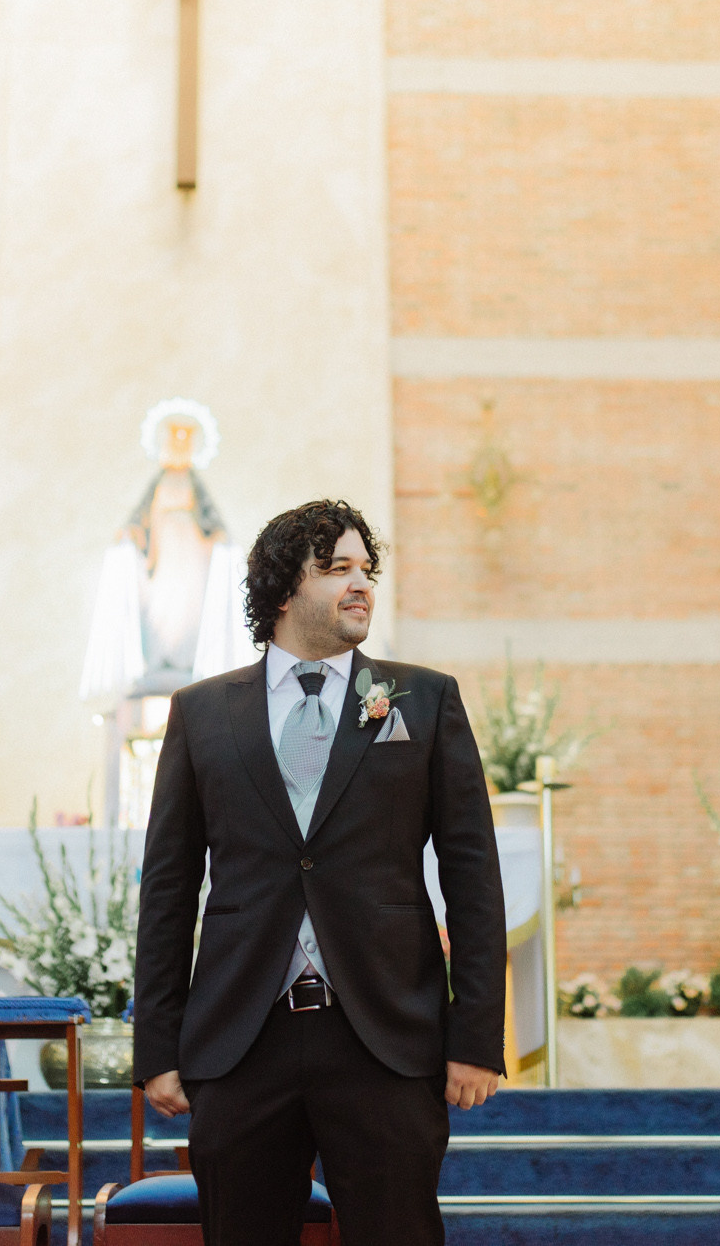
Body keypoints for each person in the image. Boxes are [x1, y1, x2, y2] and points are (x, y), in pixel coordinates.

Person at [133, 499, 506, 1246]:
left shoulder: (423, 699)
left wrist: (476, 1036)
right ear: (281, 589)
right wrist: (159, 1047)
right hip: (243, 1039)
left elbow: (473, 874)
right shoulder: (202, 713)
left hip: (384, 1035)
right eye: (336, 568)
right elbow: (169, 888)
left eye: (367, 568)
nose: (360, 583)